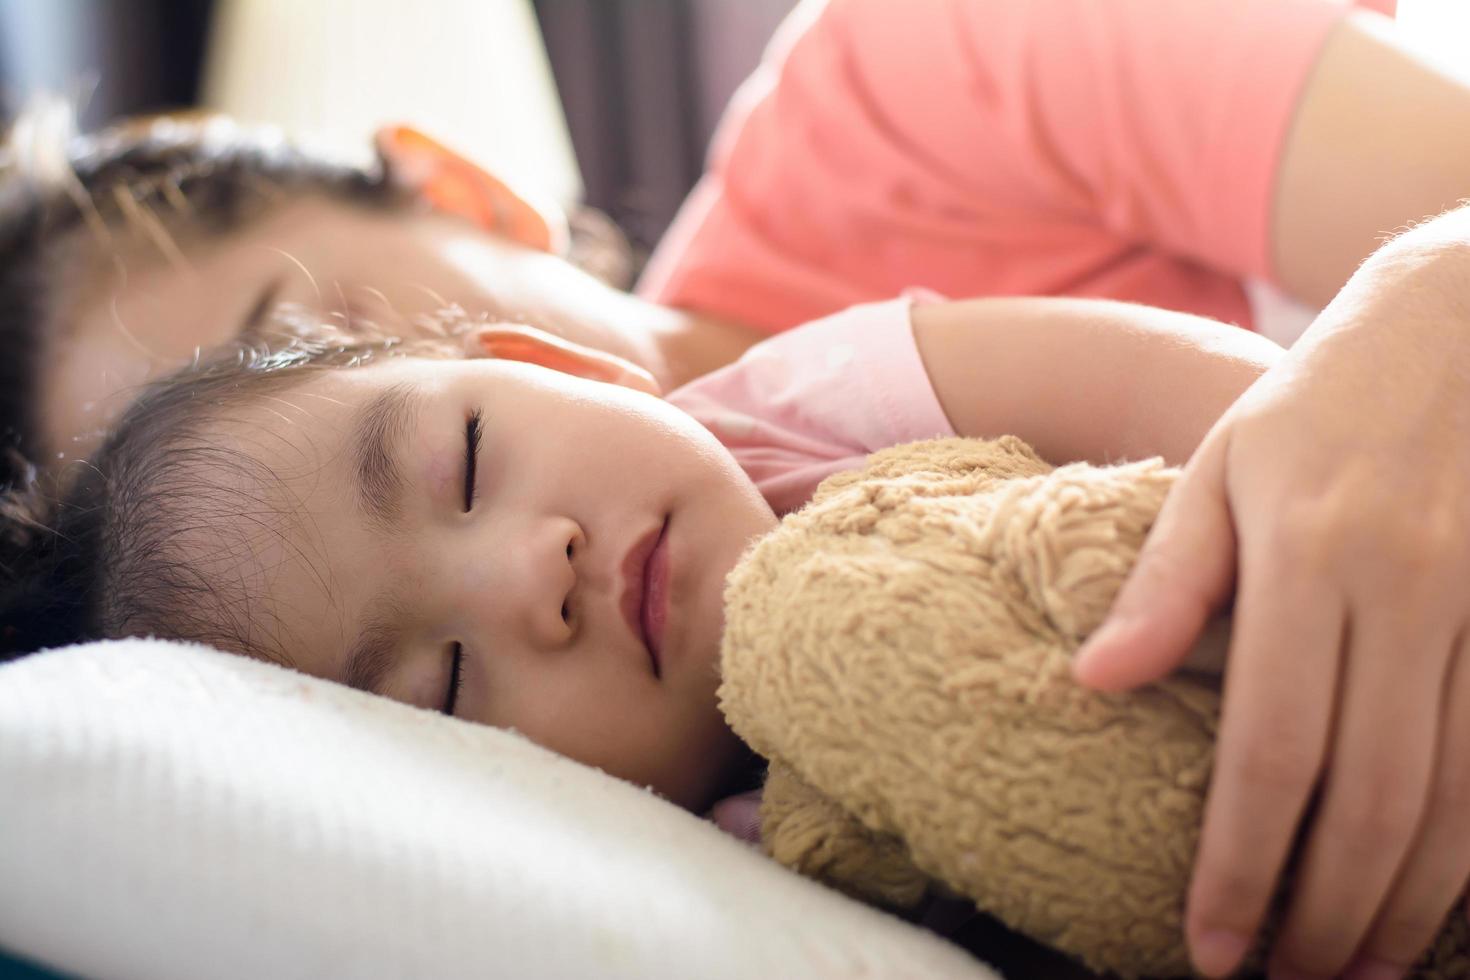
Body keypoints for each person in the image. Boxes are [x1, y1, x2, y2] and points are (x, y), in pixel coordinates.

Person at [0, 0, 1466, 972]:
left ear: (455, 183)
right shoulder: (680, 814)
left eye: (309, 340)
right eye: (431, 680)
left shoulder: (918, 72)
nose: (526, 573)